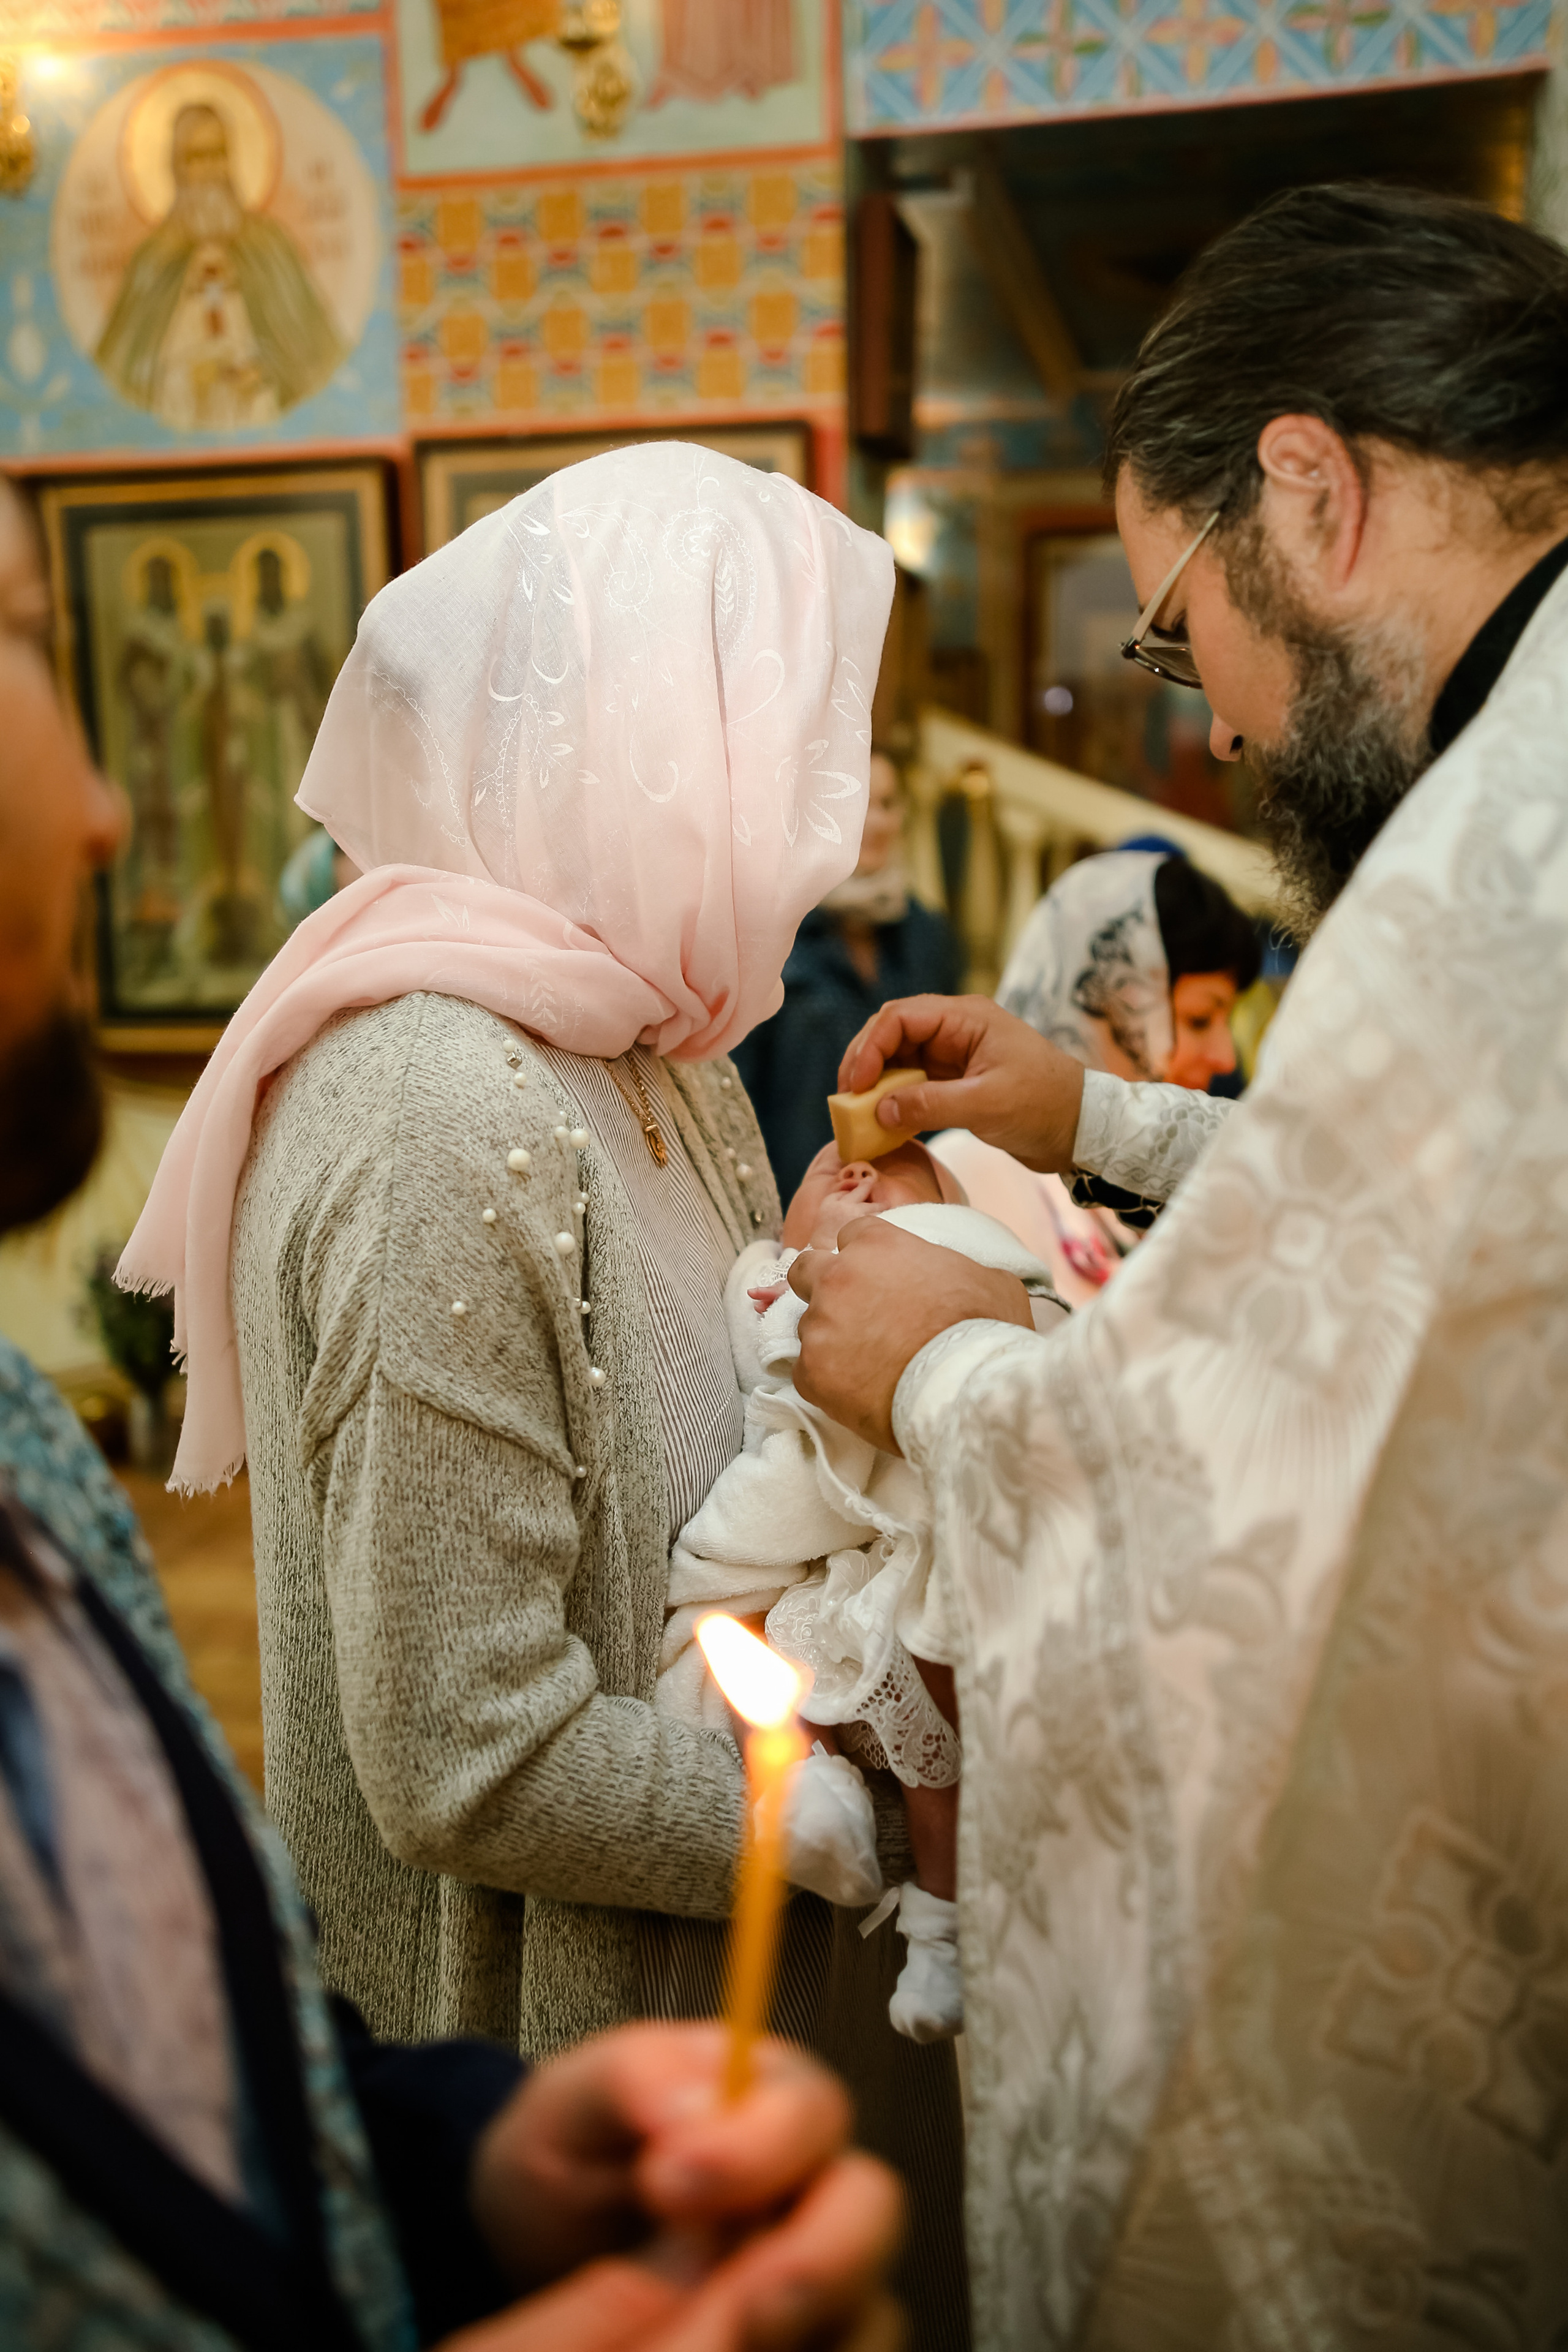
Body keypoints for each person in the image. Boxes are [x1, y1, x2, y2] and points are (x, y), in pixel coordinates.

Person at [782, 182, 1568, 2345]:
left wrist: (941, 1383)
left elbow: (1243, 1505)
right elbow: (1452, 1221)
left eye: (1175, 626)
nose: (1207, 720)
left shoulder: (1505, 845)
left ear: (1308, 492)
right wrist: (1097, 1118)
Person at [0, 475, 900, 2350]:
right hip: (548, 2021)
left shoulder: (656, 1049)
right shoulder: (444, 1108)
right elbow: (461, 1743)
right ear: (658, 754)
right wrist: (844, 1803)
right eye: (790, 746)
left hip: (578, 2118)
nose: (825, 820)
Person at [658, 1139, 1061, 2046]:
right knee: (759, 1647)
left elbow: (1040, 1342)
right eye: (826, 1168)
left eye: (903, 1171)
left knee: (932, 1677)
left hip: (927, 1533)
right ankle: (804, 1791)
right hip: (828, 1541)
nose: (857, 1172)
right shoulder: (762, 1278)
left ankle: (944, 1925)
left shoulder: (976, 1262)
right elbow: (768, 1398)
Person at [929, 846, 1261, 1295]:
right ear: (1109, 1007)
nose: (1226, 1058)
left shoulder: (1185, 1191)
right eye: (1200, 1018)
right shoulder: (970, 1173)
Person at [733, 748, 962, 1202]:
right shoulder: (776, 930)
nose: (877, 821)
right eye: (860, 802)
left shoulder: (928, 935)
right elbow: (740, 1095)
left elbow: (947, 1081)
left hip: (909, 1205)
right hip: (796, 1200)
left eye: (889, 804)